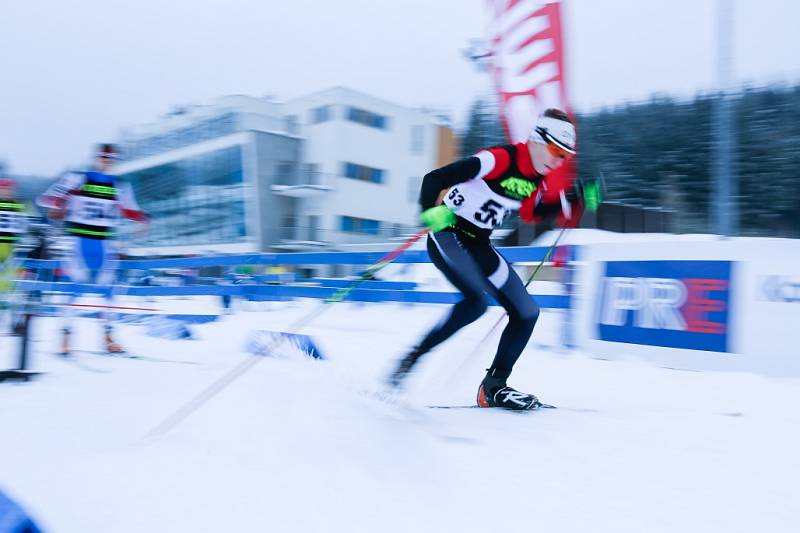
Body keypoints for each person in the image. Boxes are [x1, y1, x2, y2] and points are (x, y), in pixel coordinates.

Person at [389, 108, 599, 410]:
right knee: (474, 303)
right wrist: (429, 211)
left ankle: (493, 387)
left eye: (565, 155)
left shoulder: (535, 178)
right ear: (538, 139)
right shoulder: (500, 159)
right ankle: (410, 360)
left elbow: (531, 213)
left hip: (479, 243)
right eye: (555, 149)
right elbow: (434, 178)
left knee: (527, 311)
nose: (558, 159)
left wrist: (572, 199)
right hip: (448, 234)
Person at [38, 143, 148, 355]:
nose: (106, 162)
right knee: (73, 289)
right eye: (103, 158)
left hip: (104, 243)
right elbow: (46, 199)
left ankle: (108, 338)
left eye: (110, 159)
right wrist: (59, 206)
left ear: (114, 161)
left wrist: (143, 220)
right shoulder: (76, 178)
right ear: (96, 159)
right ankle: (66, 337)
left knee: (109, 291)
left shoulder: (120, 186)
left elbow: (130, 211)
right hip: (79, 241)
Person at [0, 178, 27, 333]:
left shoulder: (20, 206)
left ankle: (16, 323)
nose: (6, 192)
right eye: (3, 189)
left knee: (17, 291)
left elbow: (26, 228)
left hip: (13, 251)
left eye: (8, 189)